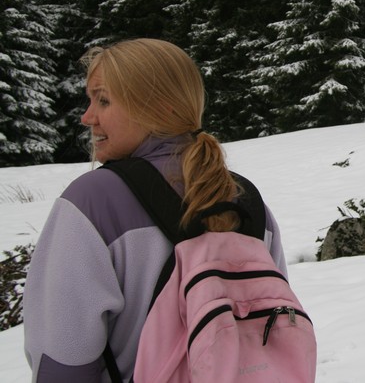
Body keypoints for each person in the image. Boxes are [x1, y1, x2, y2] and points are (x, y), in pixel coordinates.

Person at [23, 38, 287, 382]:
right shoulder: (248, 201)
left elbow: (61, 357)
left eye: (103, 100)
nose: (88, 117)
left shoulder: (93, 201)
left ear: (160, 108)